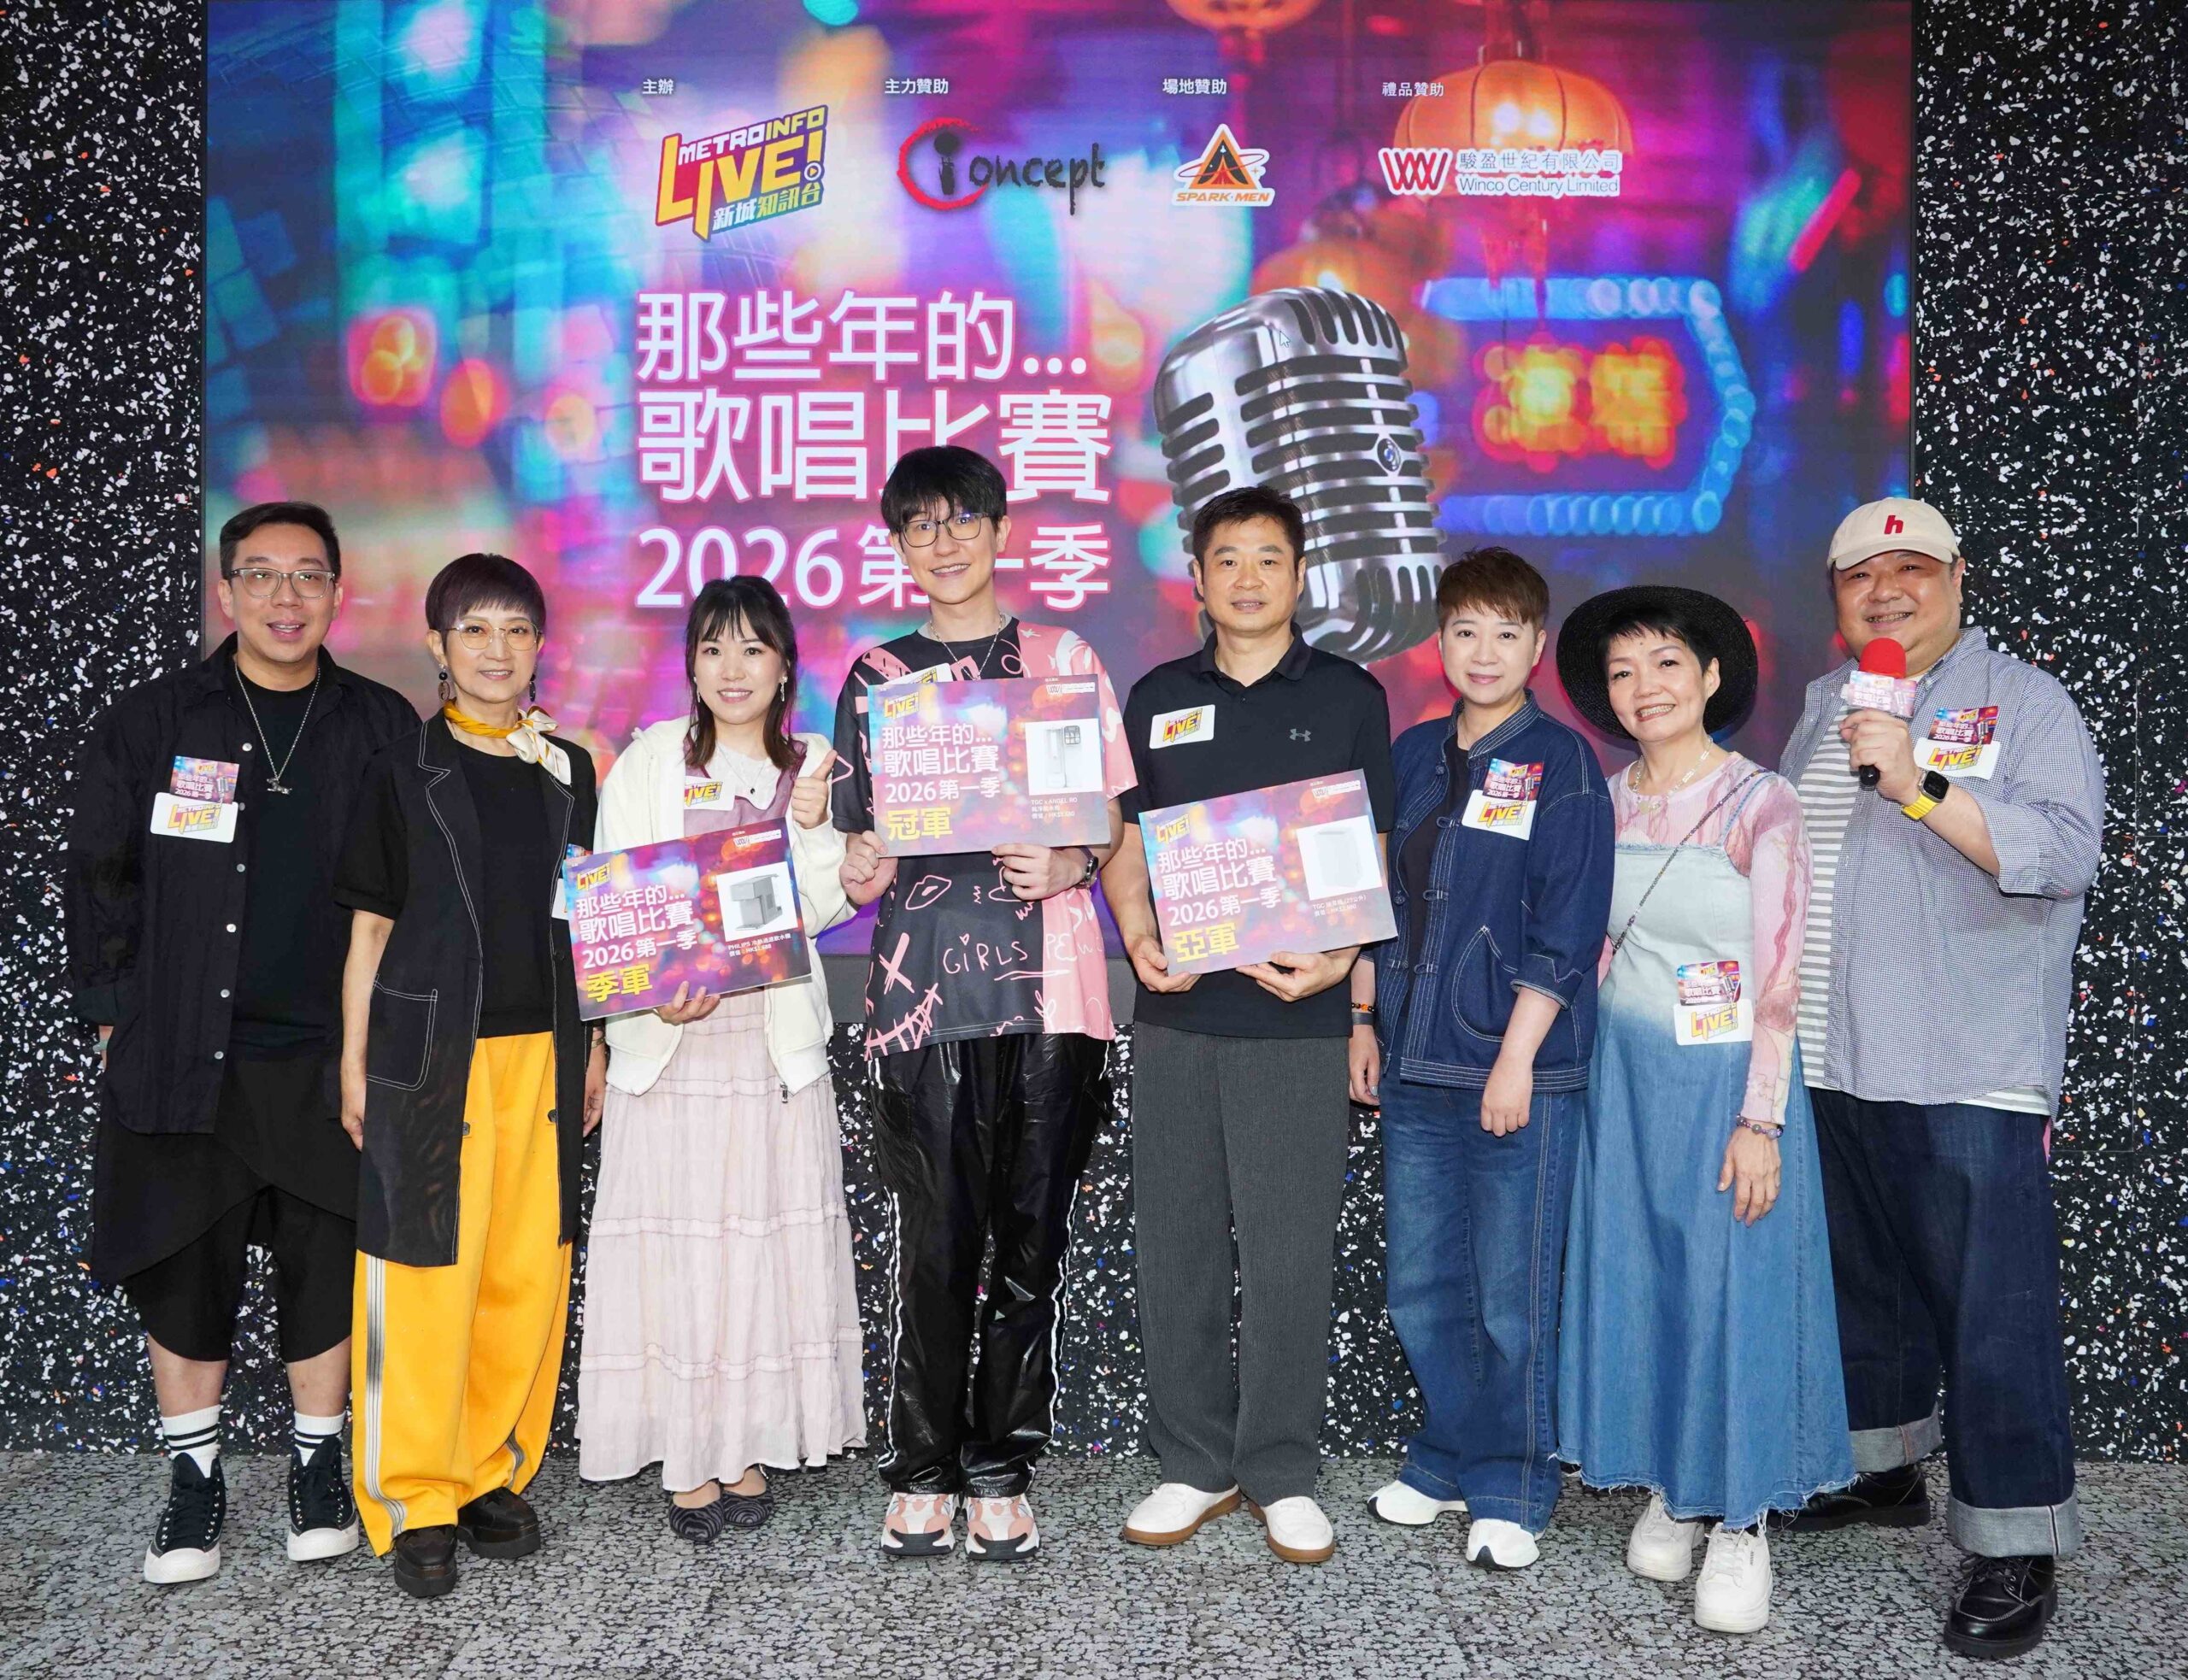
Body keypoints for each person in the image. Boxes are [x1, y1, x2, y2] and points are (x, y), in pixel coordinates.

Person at [65, 501, 415, 1583]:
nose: (284, 597)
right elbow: (99, 869)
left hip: (329, 1052)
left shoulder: (380, 724)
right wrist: (113, 1013)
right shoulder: (155, 720)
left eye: (307, 576)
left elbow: (416, 891)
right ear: (225, 591)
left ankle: (319, 1466)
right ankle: (193, 1480)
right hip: (185, 1043)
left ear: (337, 593)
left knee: (327, 1259)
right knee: (183, 1259)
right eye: (260, 575)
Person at [1778, 499, 2103, 1659]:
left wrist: (1917, 780)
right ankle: (1880, 1468)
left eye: (1912, 567)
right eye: (1861, 574)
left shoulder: (2023, 700)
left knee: (1989, 1313)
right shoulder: (1825, 703)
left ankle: (2016, 1542)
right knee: (1863, 1284)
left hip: (1965, 1056)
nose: (1887, 590)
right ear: (1836, 596)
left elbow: (2062, 852)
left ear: (1958, 577)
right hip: (1831, 1053)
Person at [831, 445, 1135, 1561]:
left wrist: (1073, 860)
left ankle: (1002, 1465)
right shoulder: (878, 675)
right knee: (936, 1241)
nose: (944, 542)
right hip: (922, 999)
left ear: (1000, 531)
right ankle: (921, 1466)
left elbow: (1109, 819)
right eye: (920, 526)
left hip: (1053, 993)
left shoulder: (1062, 658)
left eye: (963, 519)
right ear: (898, 546)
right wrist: (858, 863)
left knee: (1028, 1242)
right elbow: (861, 855)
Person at [1104, 484, 1396, 1566]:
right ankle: (1193, 1461)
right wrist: (1138, 935)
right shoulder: (1156, 697)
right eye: (1227, 557)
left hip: (1298, 1018)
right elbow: (1125, 841)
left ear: (1299, 575)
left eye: (1268, 558)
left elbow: (1369, 851)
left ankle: (1280, 1470)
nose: (1247, 577)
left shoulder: (1350, 695)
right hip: (1179, 1016)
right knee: (1175, 1246)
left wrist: (1343, 962)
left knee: (1286, 1256)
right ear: (1197, 576)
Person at [1553, 585, 1853, 1636]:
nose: (1644, 686)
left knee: (1734, 1288)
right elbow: (1594, 951)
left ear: (1712, 675)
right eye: (1623, 671)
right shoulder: (1601, 799)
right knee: (1645, 1279)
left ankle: (1740, 1515)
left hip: (1729, 1084)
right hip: (1626, 1083)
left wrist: (1759, 1119)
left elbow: (1778, 975)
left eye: (1667, 662)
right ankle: (1675, 1485)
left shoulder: (1760, 801)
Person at [334, 553, 601, 1599]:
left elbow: (592, 919)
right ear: (437, 646)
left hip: (545, 1053)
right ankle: (417, 1494)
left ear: (540, 648)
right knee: (423, 1275)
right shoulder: (400, 766)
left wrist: (597, 1045)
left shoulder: (568, 767)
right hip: (429, 1057)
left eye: (517, 630)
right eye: (475, 630)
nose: (498, 650)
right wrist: (354, 1060)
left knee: (524, 1272)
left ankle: (492, 1467)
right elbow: (368, 926)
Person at [577, 577, 864, 1540]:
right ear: (690, 665)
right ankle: (687, 1458)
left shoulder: (814, 762)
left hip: (773, 1048)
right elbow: (616, 904)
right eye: (712, 648)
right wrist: (655, 986)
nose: (731, 669)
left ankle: (741, 1446)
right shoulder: (650, 760)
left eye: (752, 648)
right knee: (679, 1257)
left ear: (785, 665)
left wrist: (821, 835)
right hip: (671, 1052)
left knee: (757, 1255)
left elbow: (819, 908)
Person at [1354, 548, 1612, 1569]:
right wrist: (1361, 1019)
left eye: (1506, 632)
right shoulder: (1416, 751)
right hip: (1414, 1061)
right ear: (1441, 640)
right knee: (1420, 1286)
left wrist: (1516, 1059)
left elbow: (1569, 926)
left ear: (1535, 645)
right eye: (1466, 630)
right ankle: (1448, 1457)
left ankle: (1511, 1482)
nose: (1484, 651)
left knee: (1511, 1295)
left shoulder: (1562, 760)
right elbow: (1376, 898)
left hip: (1517, 1068)